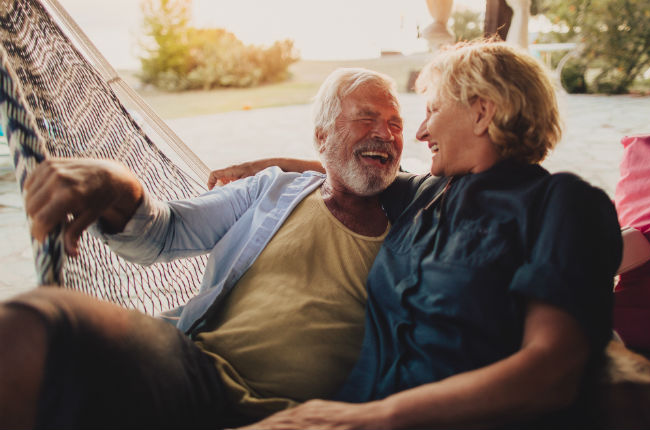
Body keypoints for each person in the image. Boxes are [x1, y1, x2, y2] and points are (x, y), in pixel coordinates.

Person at [217, 41, 623, 429]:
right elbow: (350, 166)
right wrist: (264, 165)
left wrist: (371, 420)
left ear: (482, 113)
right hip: (338, 416)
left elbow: (552, 372)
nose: (420, 132)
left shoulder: (562, 204)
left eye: (432, 110)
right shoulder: (421, 193)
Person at [0, 67, 404, 428]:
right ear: (321, 136)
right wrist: (117, 182)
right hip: (194, 372)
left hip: (306, 416)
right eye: (366, 118)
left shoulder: (422, 222)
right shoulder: (271, 189)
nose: (385, 134)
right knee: (31, 328)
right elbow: (163, 233)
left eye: (395, 124)